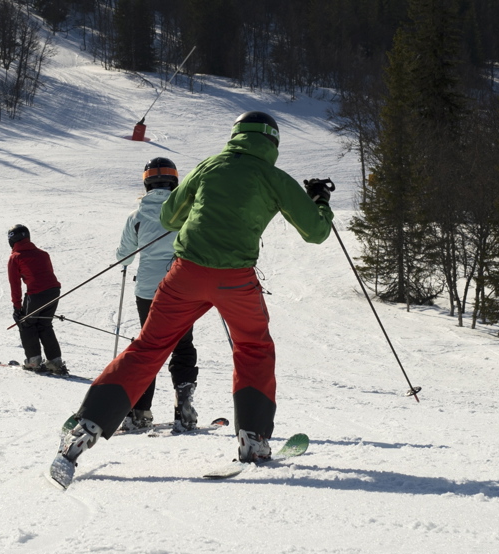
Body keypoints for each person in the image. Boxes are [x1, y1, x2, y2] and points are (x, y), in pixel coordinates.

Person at [49, 112, 335, 487]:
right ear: (272, 142)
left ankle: (84, 429)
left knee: (149, 347)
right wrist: (320, 202)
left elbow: (169, 217)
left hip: (185, 274)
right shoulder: (275, 178)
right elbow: (315, 233)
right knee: (253, 348)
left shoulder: (209, 166)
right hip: (235, 280)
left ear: (235, 135)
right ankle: (253, 438)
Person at [113, 157, 198, 434]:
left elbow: (124, 256)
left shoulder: (136, 216)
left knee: (150, 347)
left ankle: (140, 411)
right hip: (182, 288)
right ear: (174, 181)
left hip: (148, 291)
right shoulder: (187, 211)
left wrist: (126, 262)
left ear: (146, 182)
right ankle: (183, 408)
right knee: (182, 347)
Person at [7, 224, 69, 375]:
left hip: (36, 294)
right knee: (44, 324)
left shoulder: (15, 257)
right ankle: (55, 362)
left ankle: (33, 361)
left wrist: (17, 308)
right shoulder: (43, 254)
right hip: (54, 292)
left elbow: (15, 285)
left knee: (26, 324)